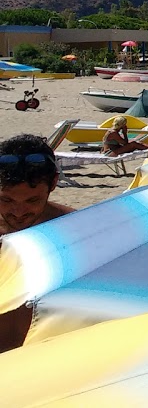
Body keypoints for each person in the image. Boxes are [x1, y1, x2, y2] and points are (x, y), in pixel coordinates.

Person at [2, 135, 75, 352]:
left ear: (53, 183)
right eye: (6, 200)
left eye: (32, 201)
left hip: (40, 359)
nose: (18, 212)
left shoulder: (73, 229)